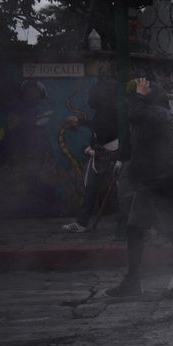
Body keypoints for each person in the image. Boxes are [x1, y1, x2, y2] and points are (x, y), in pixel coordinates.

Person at [106, 78, 173, 298]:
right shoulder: (161, 115)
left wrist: (139, 94)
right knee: (135, 229)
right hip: (151, 182)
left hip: (162, 182)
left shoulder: (156, 113)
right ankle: (132, 281)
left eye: (138, 96)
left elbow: (135, 114)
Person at [61, 80, 119, 233]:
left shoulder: (109, 109)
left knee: (121, 189)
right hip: (102, 153)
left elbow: (102, 128)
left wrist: (80, 121)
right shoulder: (104, 109)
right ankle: (82, 223)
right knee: (91, 187)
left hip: (112, 153)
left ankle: (137, 224)